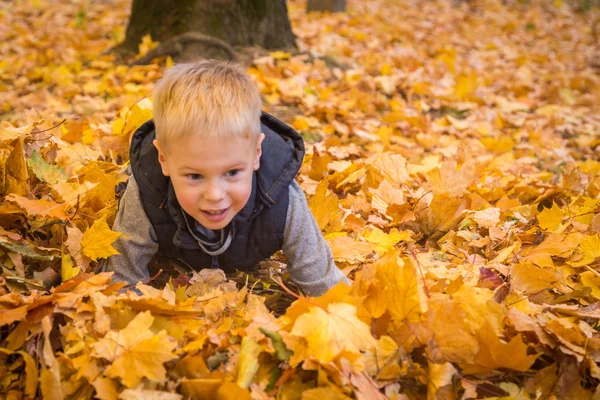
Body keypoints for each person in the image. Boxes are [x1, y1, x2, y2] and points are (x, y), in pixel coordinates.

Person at [104, 60, 349, 296]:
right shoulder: (146, 192)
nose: (215, 195)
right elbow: (121, 280)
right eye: (194, 176)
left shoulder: (283, 199)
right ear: (164, 160)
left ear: (256, 154)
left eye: (232, 173)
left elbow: (324, 283)